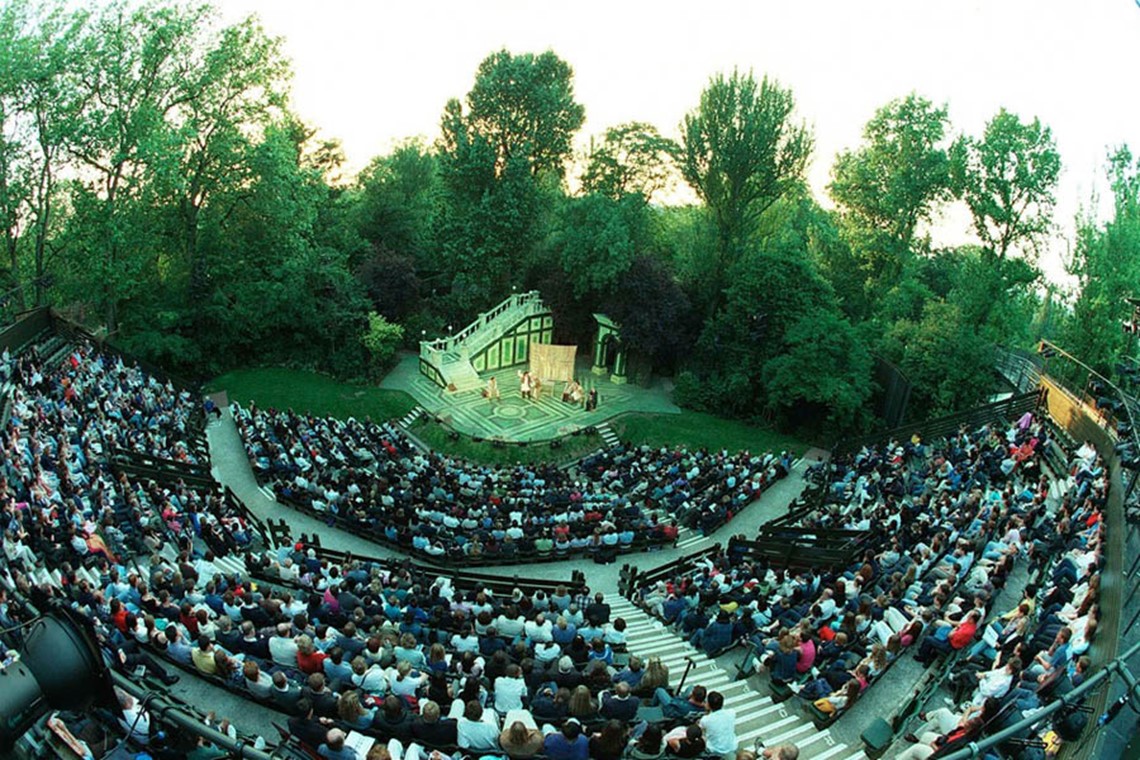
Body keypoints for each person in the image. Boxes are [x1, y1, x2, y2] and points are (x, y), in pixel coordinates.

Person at [699, 691, 737, 757]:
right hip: (732, 746)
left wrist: (707, 711)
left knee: (701, 735)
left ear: (708, 705)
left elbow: (699, 728)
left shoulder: (706, 719)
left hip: (714, 749)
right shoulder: (732, 712)